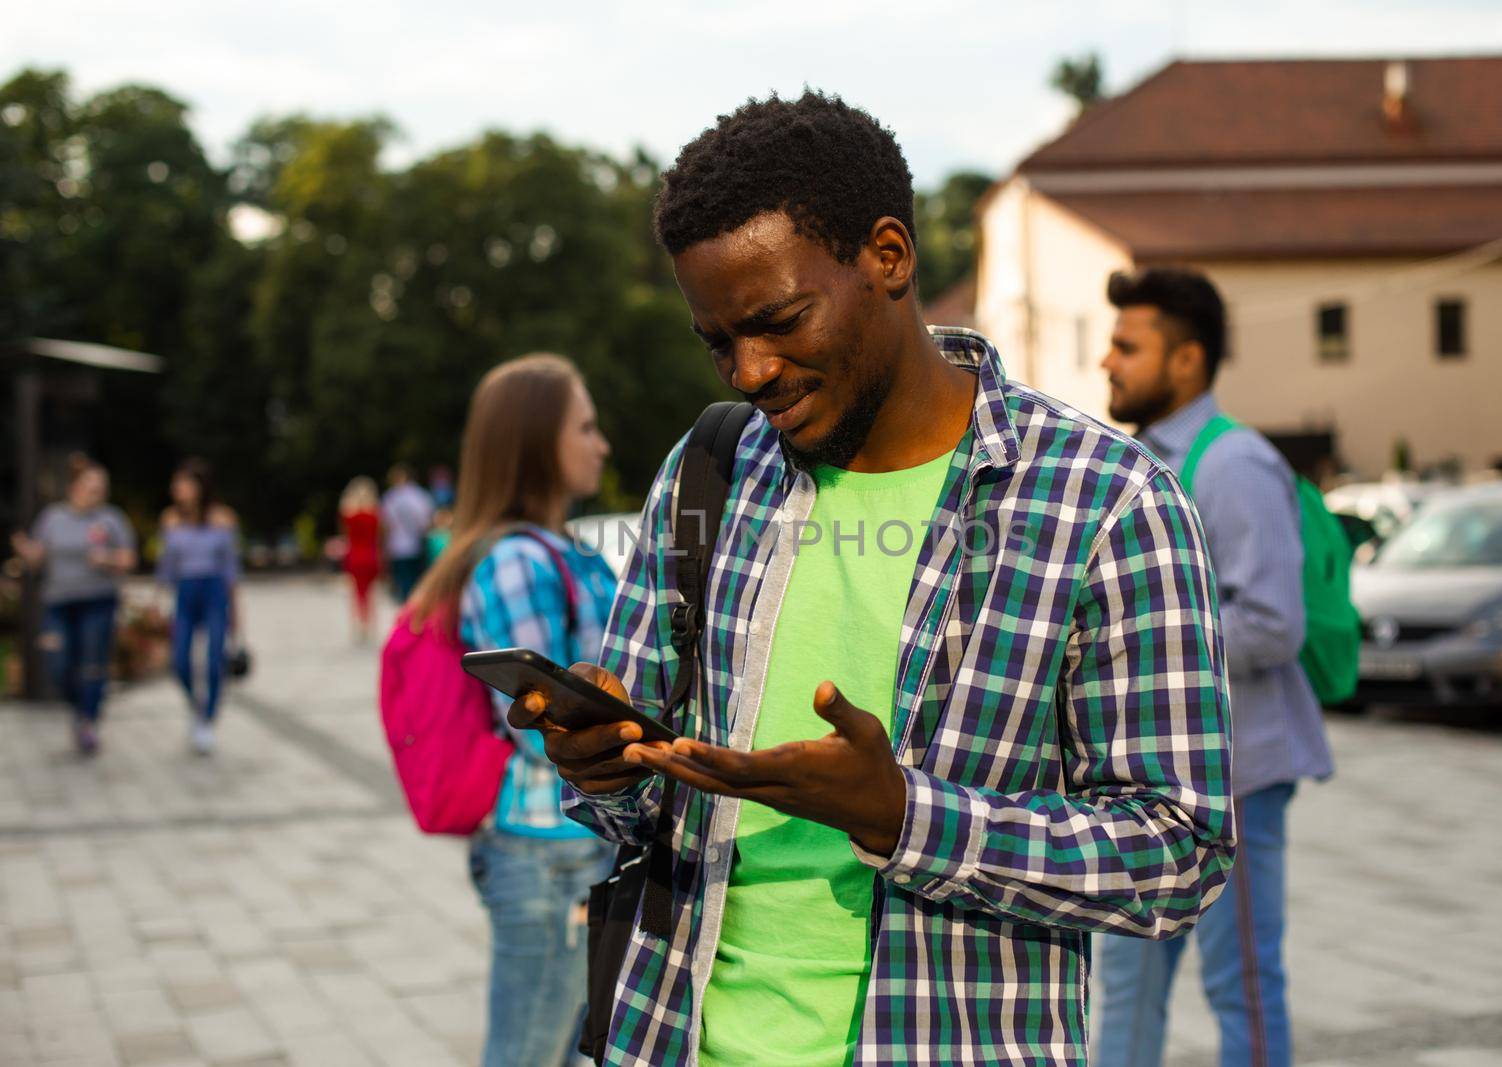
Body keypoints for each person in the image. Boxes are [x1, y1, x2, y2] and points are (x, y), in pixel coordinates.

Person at [516, 91, 1234, 1067]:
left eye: (777, 319)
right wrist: (602, 761)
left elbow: (1175, 852)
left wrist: (902, 814)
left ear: (887, 257)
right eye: (718, 339)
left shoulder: (1107, 504)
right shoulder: (707, 469)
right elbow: (638, 800)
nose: (749, 369)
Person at [1095, 267, 1335, 1067]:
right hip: (1138, 787)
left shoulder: (1234, 463)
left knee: (1244, 990)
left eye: (1129, 346)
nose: (1108, 361)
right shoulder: (1137, 461)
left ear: (1187, 360)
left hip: (1238, 783)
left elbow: (1273, 622)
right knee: (1126, 989)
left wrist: (1138, 643)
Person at [408, 354, 618, 1067]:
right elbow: (541, 728)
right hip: (549, 849)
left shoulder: (560, 551)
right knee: (528, 1052)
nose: (602, 443)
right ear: (538, 442)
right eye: (585, 427)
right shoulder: (519, 562)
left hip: (566, 844)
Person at [10, 457, 136, 755]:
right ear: (74, 487)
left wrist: (106, 559)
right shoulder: (53, 517)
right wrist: (26, 552)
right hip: (59, 603)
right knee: (57, 663)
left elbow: (128, 559)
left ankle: (88, 721)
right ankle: (79, 706)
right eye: (92, 486)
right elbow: (38, 557)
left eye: (101, 487)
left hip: (98, 601)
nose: (97, 491)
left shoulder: (111, 519)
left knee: (92, 664)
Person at [158, 459, 241, 756]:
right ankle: (196, 705)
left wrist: (237, 615)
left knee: (215, 658)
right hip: (185, 592)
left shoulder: (223, 519)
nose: (177, 490)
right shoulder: (170, 520)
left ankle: (207, 718)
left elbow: (232, 570)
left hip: (214, 591)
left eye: (184, 483)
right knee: (179, 659)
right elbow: (166, 569)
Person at [382, 464, 435, 602]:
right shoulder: (420, 495)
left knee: (403, 582)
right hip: (417, 543)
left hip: (397, 545)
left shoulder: (390, 497)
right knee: (417, 580)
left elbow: (386, 525)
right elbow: (427, 522)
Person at [339, 476, 383, 643]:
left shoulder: (349, 515)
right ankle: (370, 626)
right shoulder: (374, 515)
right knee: (371, 594)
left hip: (355, 556)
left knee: (356, 594)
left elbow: (346, 535)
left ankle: (358, 627)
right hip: (370, 555)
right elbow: (378, 538)